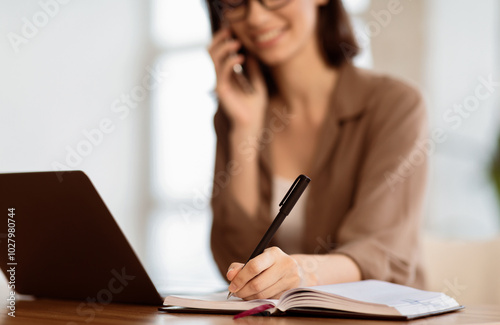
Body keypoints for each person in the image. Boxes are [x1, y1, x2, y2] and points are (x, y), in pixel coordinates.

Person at [206, 0, 428, 300]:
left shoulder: (394, 105)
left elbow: (380, 251)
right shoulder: (234, 114)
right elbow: (236, 267)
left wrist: (301, 272)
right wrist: (245, 130)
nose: (256, 17)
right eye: (235, 2)